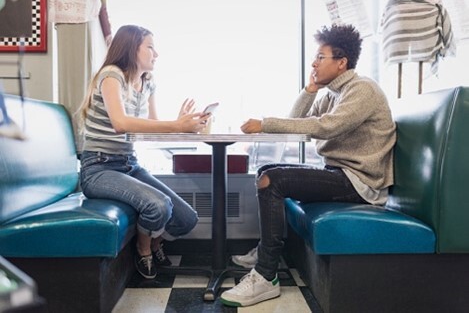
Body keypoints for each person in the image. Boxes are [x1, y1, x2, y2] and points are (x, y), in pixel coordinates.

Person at [220, 24, 396, 307]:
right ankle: (267, 251)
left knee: (272, 181)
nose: (314, 63)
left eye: (320, 57)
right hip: (339, 173)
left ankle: (266, 276)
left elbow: (326, 127)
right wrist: (310, 90)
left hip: (361, 182)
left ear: (342, 63)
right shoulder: (329, 93)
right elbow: (296, 123)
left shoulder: (362, 89)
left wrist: (265, 123)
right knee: (266, 170)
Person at [78, 25, 210, 279]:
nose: (156, 53)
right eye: (150, 47)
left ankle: (156, 241)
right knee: (158, 205)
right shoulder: (111, 76)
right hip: (98, 167)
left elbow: (152, 129)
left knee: (187, 219)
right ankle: (145, 248)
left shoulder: (148, 83)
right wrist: (176, 125)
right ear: (131, 48)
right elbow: (121, 123)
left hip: (128, 163)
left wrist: (183, 126)